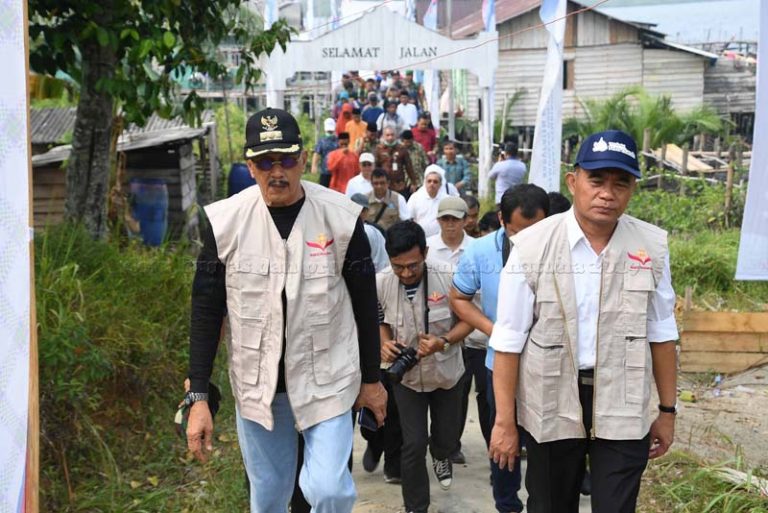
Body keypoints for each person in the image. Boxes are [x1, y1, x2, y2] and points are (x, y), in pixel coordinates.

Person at [186, 108, 387, 513]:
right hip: (258, 389)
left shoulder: (343, 221)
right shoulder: (225, 224)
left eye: (286, 160)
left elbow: (366, 306)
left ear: (304, 159)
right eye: (264, 162)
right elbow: (206, 312)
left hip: (328, 382)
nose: (276, 172)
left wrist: (371, 380)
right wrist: (198, 397)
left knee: (329, 488)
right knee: (269, 497)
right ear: (249, 165)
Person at [489, 130, 679, 513]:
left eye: (620, 183)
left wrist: (667, 410)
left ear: (632, 190)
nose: (607, 193)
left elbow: (661, 333)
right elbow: (508, 341)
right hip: (550, 397)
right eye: (596, 181)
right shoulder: (532, 246)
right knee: (550, 505)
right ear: (573, 182)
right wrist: (504, 422)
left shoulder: (651, 247)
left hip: (623, 397)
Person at [449, 184, 550, 513]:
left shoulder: (561, 251)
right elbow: (458, 298)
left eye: (537, 231)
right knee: (503, 436)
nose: (528, 241)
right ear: (502, 220)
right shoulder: (479, 252)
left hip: (550, 365)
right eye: (519, 232)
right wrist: (495, 331)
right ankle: (507, 504)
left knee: (545, 441)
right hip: (500, 364)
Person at [377, 220, 473, 513]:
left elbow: (470, 320)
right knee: (413, 443)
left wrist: (443, 341)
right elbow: (379, 319)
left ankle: (441, 454)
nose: (406, 273)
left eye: (413, 266)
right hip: (407, 378)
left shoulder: (449, 275)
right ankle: (416, 507)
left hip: (446, 374)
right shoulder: (381, 282)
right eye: (398, 266)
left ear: (426, 252)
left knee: (444, 439)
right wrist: (384, 343)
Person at [424, 196, 477, 465]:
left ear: (466, 220)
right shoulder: (428, 248)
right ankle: (432, 440)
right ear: (438, 221)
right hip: (433, 326)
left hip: (469, 331)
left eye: (455, 219)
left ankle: (450, 443)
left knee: (459, 389)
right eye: (445, 219)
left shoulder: (476, 250)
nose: (450, 224)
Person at [406, 165, 459, 238]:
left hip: (442, 239)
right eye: (429, 181)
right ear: (425, 182)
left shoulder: (447, 200)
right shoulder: (415, 198)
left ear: (440, 184)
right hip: (420, 238)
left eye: (435, 182)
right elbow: (408, 218)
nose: (432, 184)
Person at [375, 126, 419, 196]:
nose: (390, 137)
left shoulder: (402, 148)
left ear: (396, 136)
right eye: (388, 135)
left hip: (399, 185)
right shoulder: (379, 149)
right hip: (385, 185)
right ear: (383, 136)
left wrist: (413, 182)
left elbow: (409, 167)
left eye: (392, 135)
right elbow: (376, 168)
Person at [350, 193, 389, 272]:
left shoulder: (373, 230)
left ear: (366, 211)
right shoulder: (376, 230)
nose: (358, 213)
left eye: (361, 210)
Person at [311, 118, 339, 188]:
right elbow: (316, 153)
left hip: (336, 170)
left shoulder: (338, 140)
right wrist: (314, 166)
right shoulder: (322, 140)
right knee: (324, 189)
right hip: (325, 170)